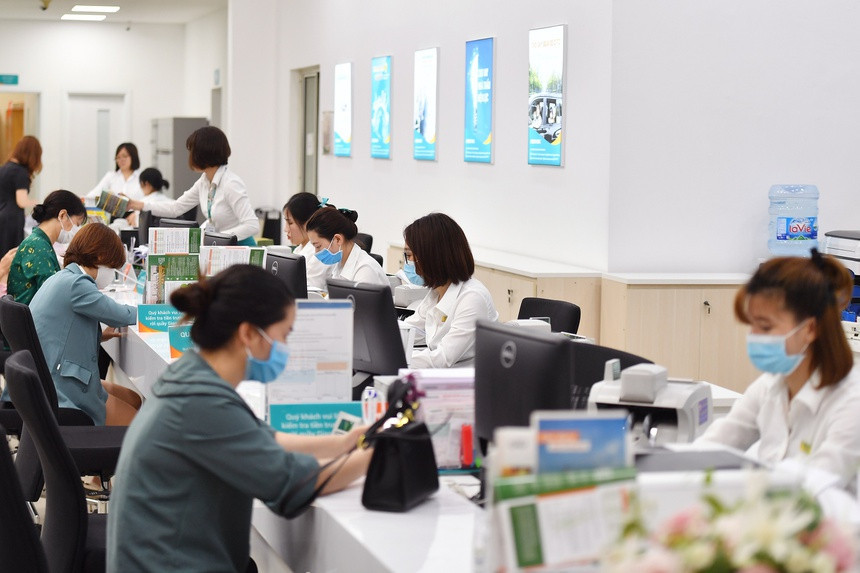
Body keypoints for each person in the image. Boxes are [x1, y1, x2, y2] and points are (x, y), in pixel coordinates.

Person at [106, 264, 372, 572]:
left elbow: (265, 439)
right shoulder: (201, 402)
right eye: (284, 335)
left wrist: (345, 443)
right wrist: (378, 456)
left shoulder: (193, 375)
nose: (286, 348)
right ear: (248, 333)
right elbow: (294, 482)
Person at [698, 249, 860, 489]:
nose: (753, 336)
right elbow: (715, 445)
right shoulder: (771, 385)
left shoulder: (851, 402)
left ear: (810, 329)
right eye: (752, 325)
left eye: (765, 327)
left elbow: (816, 489)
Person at [24, 223, 140, 426]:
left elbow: (62, 331)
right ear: (100, 257)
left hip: (49, 375)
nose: (112, 273)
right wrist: (159, 313)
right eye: (112, 267)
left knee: (134, 399)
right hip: (60, 384)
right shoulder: (78, 285)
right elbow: (120, 314)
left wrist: (99, 335)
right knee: (135, 422)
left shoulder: (63, 277)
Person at [126, 126, 260, 246]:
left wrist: (218, 237)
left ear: (204, 153)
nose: (190, 156)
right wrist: (137, 205)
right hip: (220, 247)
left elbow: (252, 225)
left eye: (192, 151)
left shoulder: (230, 183)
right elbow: (176, 208)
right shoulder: (204, 181)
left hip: (241, 248)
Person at [402, 213, 499, 368]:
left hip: (467, 380)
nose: (409, 262)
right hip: (443, 376)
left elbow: (443, 358)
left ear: (433, 257)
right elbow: (409, 331)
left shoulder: (472, 298)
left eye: (411, 255)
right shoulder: (436, 293)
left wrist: (396, 360)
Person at [7, 189, 87, 305]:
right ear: (63, 215)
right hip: (32, 315)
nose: (76, 231)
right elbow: (54, 296)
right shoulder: (38, 247)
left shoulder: (40, 243)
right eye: (77, 224)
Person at [305, 205, 388, 287]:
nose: (316, 252)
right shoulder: (339, 265)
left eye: (318, 246)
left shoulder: (365, 270)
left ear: (338, 239)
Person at [0, 135, 42, 254]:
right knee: (11, 255)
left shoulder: (4, 168)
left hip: (2, 215)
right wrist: (36, 203)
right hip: (12, 220)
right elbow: (21, 201)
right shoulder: (20, 172)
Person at [283, 192, 328, 290]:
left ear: (308, 222)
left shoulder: (319, 252)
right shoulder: (299, 249)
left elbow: (310, 291)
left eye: (290, 223)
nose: (285, 229)